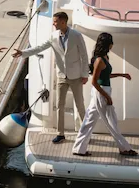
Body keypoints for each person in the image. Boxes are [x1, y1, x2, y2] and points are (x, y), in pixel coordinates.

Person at [13, 11, 89, 143]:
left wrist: (84, 74)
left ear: (63, 22)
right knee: (60, 105)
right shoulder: (53, 36)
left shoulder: (76, 36)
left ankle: (85, 133)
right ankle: (60, 133)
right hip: (61, 76)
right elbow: (40, 48)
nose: (53, 24)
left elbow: (84, 55)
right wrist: (23, 53)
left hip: (76, 76)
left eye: (55, 21)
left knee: (80, 105)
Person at [73, 32, 138, 157]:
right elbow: (95, 82)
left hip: (102, 91)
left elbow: (105, 76)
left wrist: (121, 75)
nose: (112, 44)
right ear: (108, 44)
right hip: (101, 92)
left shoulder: (105, 58)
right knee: (111, 121)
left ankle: (78, 149)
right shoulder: (99, 60)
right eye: (111, 42)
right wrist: (107, 97)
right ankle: (124, 148)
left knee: (88, 121)